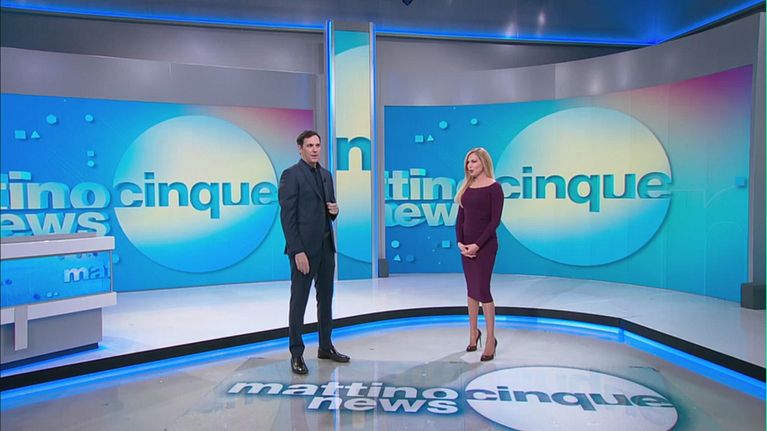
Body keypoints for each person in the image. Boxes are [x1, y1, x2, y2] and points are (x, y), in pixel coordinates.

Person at [278, 130, 350, 375]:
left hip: (326, 247)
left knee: (326, 299)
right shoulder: (291, 175)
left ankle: (325, 346)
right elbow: (287, 217)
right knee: (299, 301)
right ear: (300, 148)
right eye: (310, 145)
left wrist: (335, 211)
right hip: (304, 251)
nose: (315, 149)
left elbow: (329, 209)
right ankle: (296, 353)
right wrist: (297, 250)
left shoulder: (326, 175)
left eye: (317, 145)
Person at [455, 147, 504, 361]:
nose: (470, 166)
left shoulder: (495, 188)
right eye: (468, 162)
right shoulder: (466, 187)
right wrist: (460, 242)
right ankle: (473, 333)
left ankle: (491, 340)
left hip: (485, 247)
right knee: (471, 290)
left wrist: (477, 245)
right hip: (466, 247)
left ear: (483, 162)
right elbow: (460, 218)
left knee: (483, 290)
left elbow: (495, 221)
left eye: (473, 161)